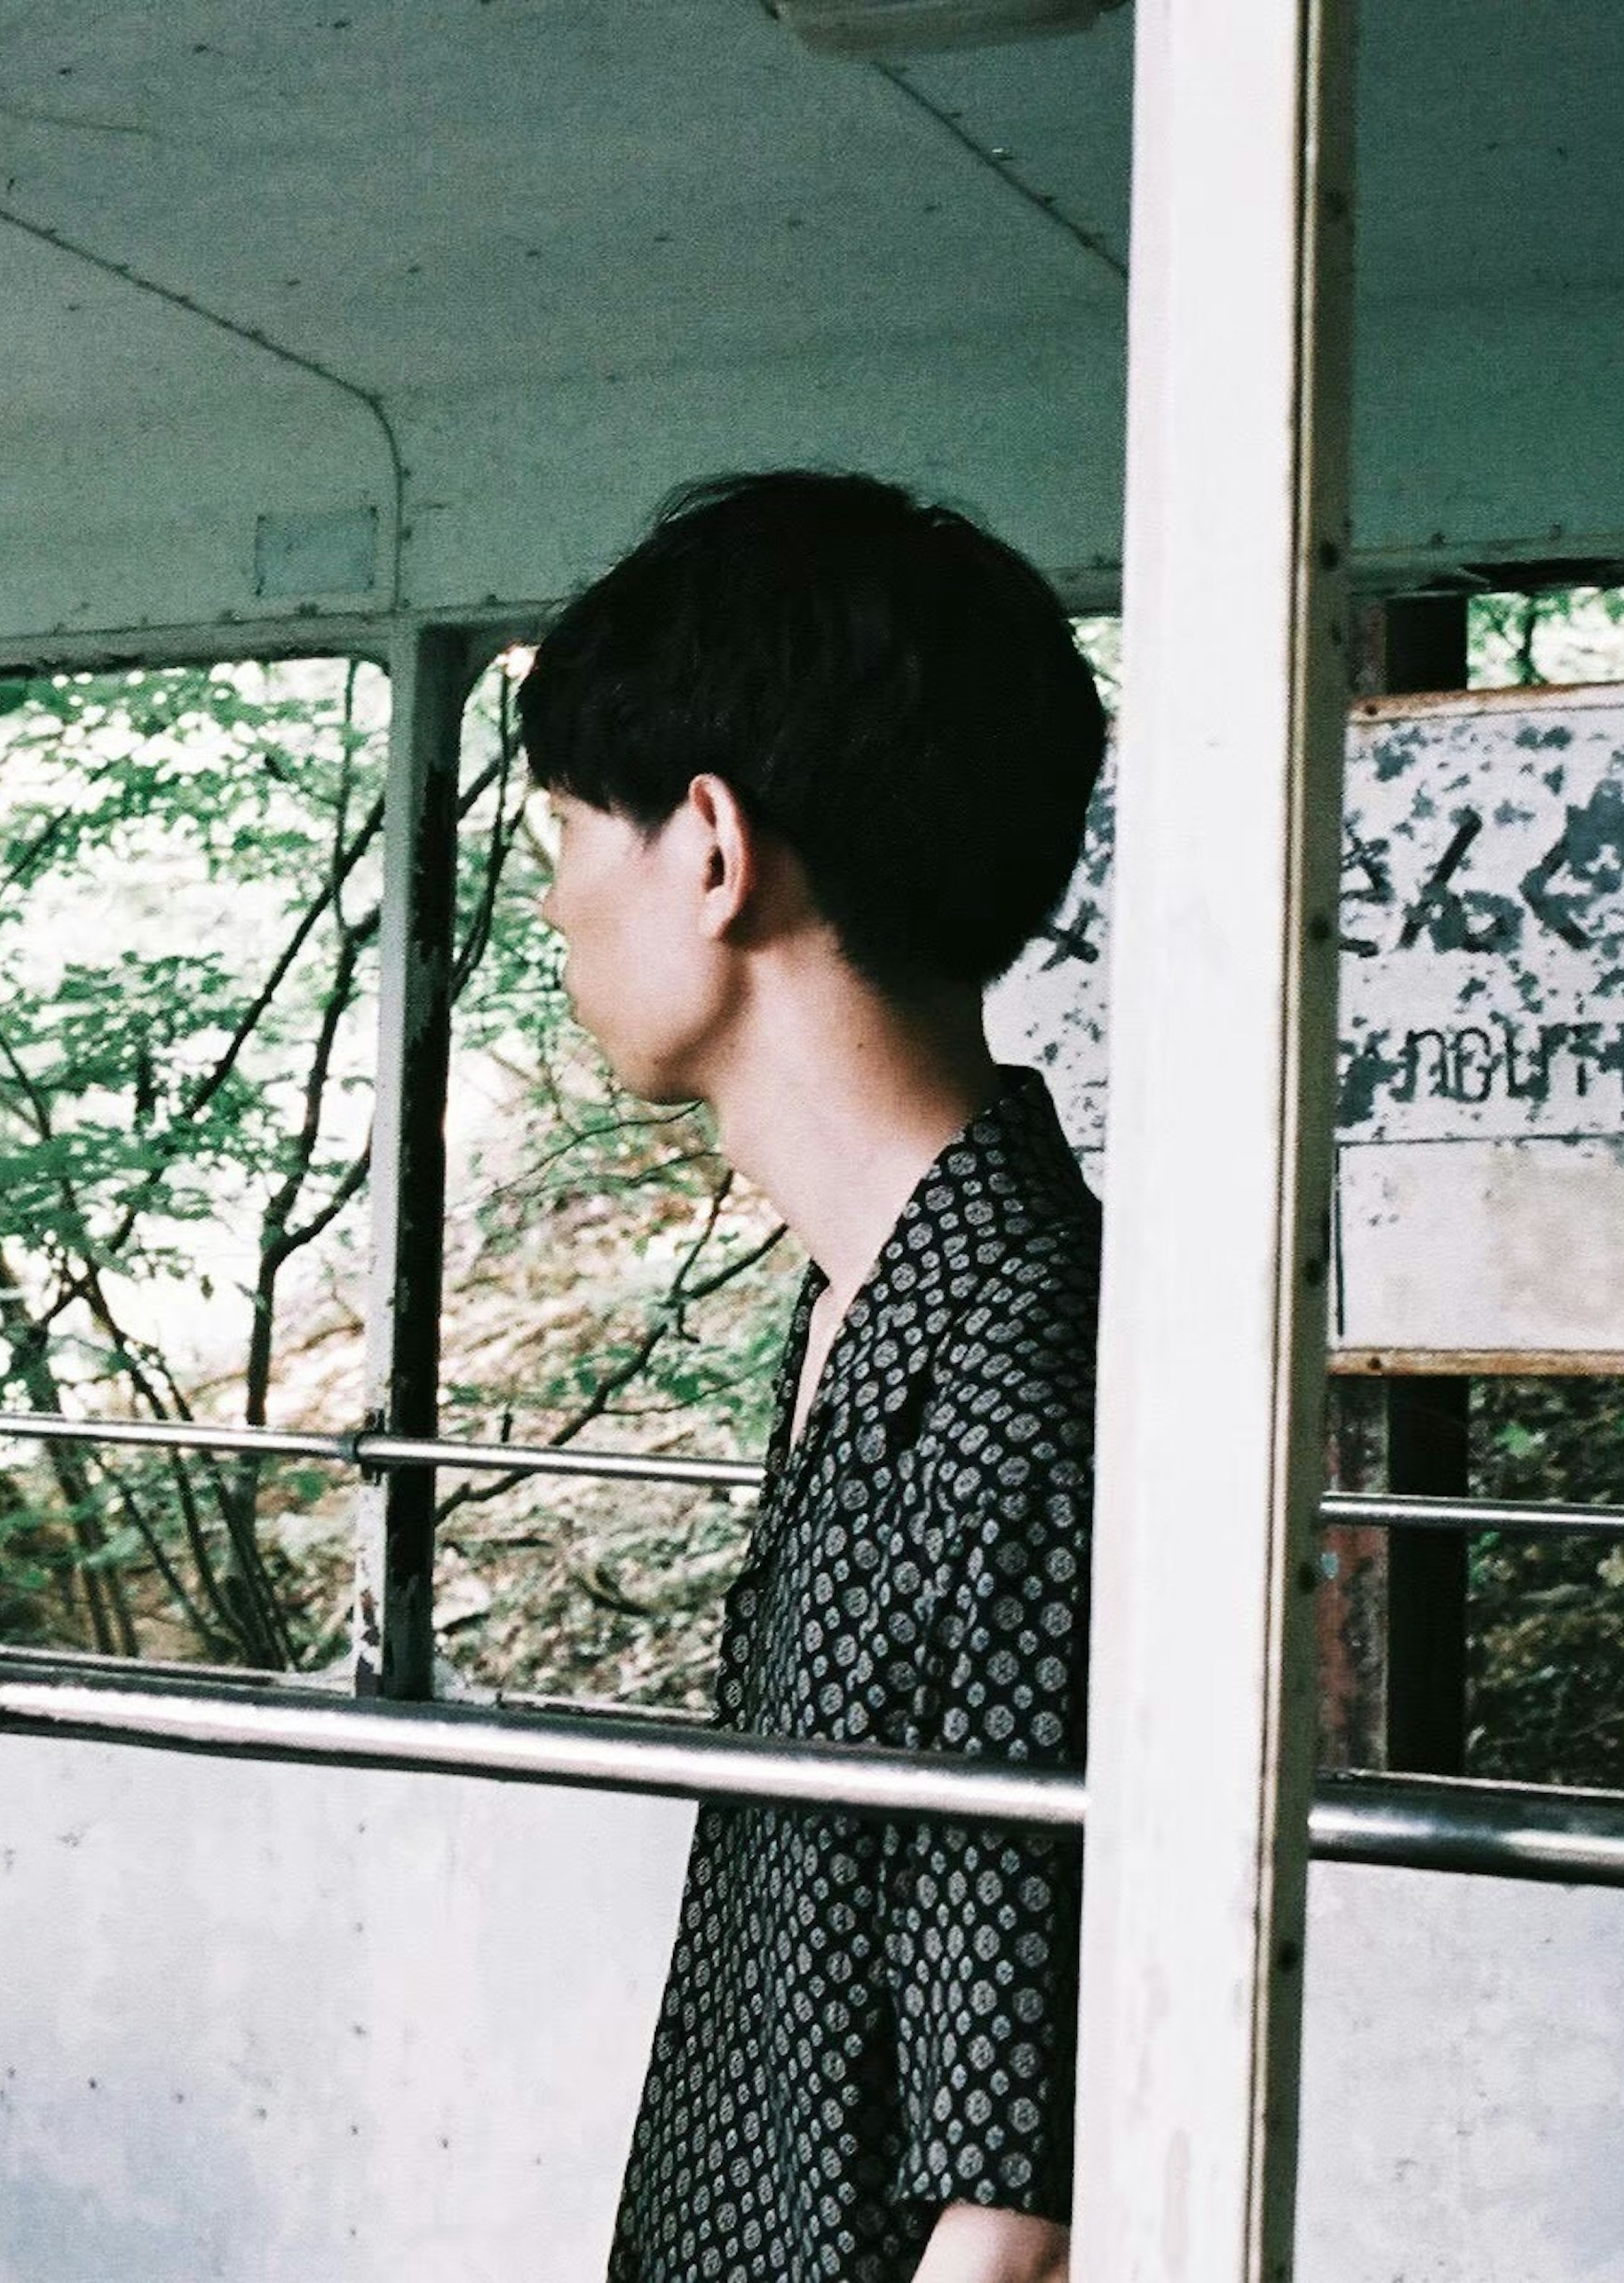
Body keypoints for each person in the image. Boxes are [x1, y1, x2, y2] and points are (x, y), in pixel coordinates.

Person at [523, 472, 1108, 2283]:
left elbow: (1014, 2203)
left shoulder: (1017, 1353)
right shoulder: (876, 1292)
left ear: (708, 846)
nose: (552, 910)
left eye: (562, 838)